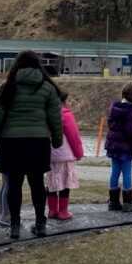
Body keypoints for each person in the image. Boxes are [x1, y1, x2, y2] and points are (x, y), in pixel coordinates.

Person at [0, 50, 63, 239]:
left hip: (12, 142)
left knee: (14, 185)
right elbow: (55, 118)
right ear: (38, 66)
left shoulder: (6, 88)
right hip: (38, 142)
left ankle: (15, 226)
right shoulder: (48, 88)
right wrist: (57, 140)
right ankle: (40, 223)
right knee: (37, 184)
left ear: (16, 65)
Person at [46, 91, 84, 220]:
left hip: (51, 154)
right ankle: (63, 211)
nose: (69, 104)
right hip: (65, 154)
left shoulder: (47, 114)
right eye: (68, 101)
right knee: (65, 183)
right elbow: (74, 136)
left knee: (52, 182)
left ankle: (52, 210)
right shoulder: (66, 115)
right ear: (62, 102)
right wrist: (79, 153)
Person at [105, 83, 132, 212]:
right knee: (126, 171)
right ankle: (127, 202)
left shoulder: (114, 107)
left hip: (113, 145)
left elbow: (110, 124)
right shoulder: (130, 110)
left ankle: (113, 201)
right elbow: (131, 130)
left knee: (115, 171)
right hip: (125, 146)